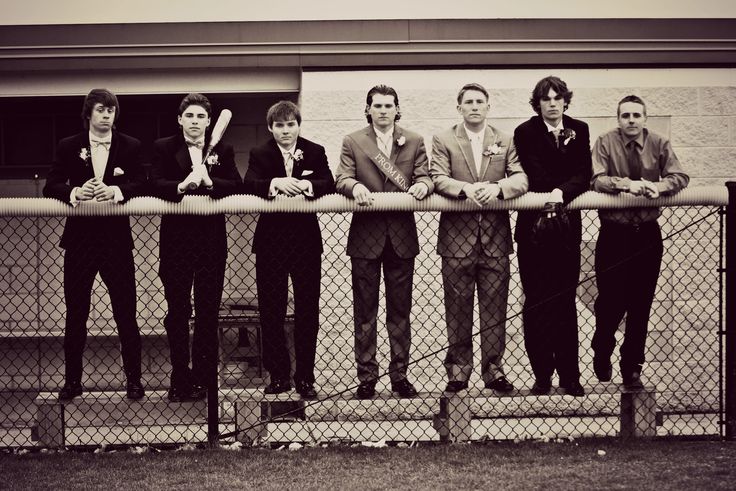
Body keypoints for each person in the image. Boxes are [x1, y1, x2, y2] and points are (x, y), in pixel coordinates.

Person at [43, 88, 145, 401]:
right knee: (76, 314)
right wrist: (75, 192)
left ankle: (134, 381)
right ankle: (72, 382)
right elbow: (51, 186)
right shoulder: (68, 145)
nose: (106, 115)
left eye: (111, 110)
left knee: (126, 314)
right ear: (89, 113)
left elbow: (142, 182)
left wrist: (116, 191)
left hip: (116, 242)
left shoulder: (131, 145)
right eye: (101, 110)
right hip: (80, 242)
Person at [335, 84, 434, 399]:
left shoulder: (415, 140)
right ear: (368, 109)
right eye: (377, 106)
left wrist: (423, 186)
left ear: (397, 109)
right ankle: (366, 377)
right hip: (366, 236)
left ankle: (399, 375)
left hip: (401, 237)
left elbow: (426, 176)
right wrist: (353, 187)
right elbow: (342, 178)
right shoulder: (353, 141)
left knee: (399, 312)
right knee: (365, 312)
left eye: (388, 105)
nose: (383, 111)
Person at [430, 83, 528, 394]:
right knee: (457, 309)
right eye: (468, 102)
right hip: (456, 239)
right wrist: (466, 188)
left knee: (494, 309)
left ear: (488, 107)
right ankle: (458, 372)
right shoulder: (444, 139)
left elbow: (521, 177)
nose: (474, 106)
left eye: (480, 102)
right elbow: (437, 177)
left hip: (495, 240)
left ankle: (494, 371)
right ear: (458, 107)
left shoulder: (505, 139)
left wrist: (499, 188)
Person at [591, 95, 689, 389]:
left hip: (646, 234)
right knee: (610, 300)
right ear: (618, 119)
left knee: (640, 303)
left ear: (645, 118)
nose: (631, 120)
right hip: (614, 233)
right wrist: (627, 184)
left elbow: (680, 176)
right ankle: (602, 345)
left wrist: (659, 187)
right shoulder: (605, 142)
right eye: (625, 116)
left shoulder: (659, 143)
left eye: (636, 115)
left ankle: (632, 365)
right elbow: (596, 179)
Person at [150, 93, 240, 402]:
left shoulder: (222, 149)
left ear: (209, 121)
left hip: (211, 242)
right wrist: (181, 186)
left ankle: (204, 379)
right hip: (175, 243)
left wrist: (210, 183)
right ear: (180, 119)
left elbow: (237, 184)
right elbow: (154, 183)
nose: (195, 122)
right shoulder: (164, 147)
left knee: (207, 313)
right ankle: (180, 378)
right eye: (190, 116)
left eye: (201, 117)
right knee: (177, 312)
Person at [243, 101, 335, 399]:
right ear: (271, 127)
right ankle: (279, 375)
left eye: (290, 124)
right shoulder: (260, 153)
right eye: (279, 125)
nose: (285, 130)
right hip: (271, 243)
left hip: (306, 242)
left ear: (298, 125)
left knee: (308, 310)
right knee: (272, 311)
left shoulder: (315, 150)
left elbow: (328, 182)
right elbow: (250, 183)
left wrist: (304, 186)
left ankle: (305, 377)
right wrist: (276, 183)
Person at [513, 76, 592, 397]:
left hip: (566, 231)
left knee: (564, 302)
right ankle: (542, 375)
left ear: (565, 100)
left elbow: (584, 173)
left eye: (557, 98)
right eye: (546, 99)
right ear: (538, 103)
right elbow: (535, 173)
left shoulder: (580, 129)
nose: (552, 103)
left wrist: (561, 191)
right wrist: (557, 186)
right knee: (536, 304)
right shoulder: (526, 132)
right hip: (533, 233)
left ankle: (570, 375)